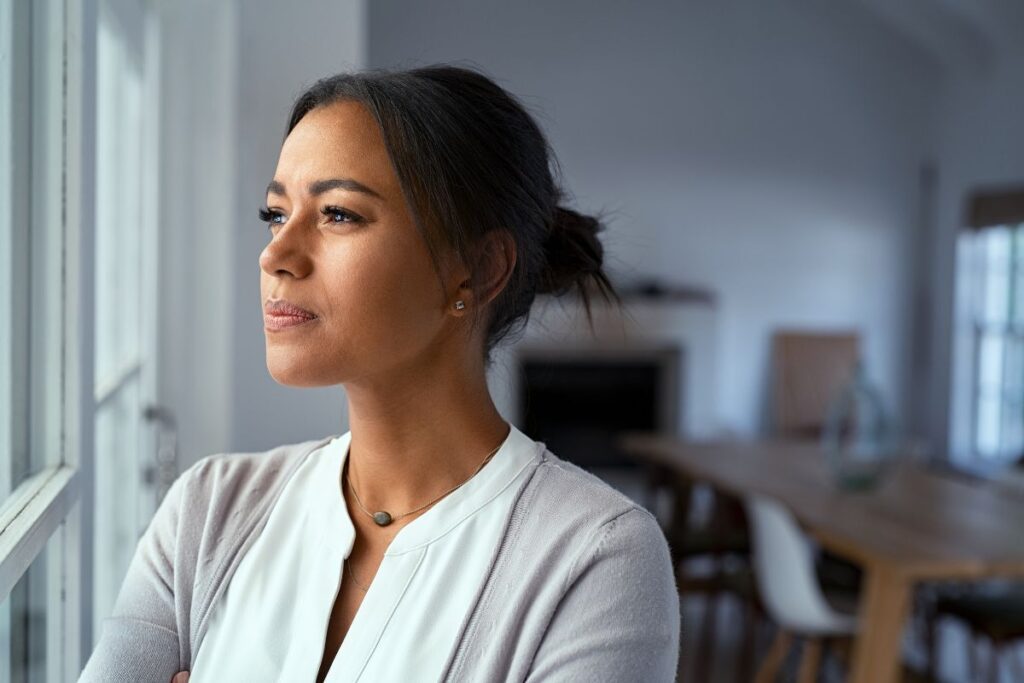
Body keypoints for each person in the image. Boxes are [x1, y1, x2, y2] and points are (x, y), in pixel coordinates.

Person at [79, 64, 680, 683]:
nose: (275, 255)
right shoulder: (207, 512)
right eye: (276, 213)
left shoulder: (596, 559)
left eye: (339, 214)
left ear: (476, 269)